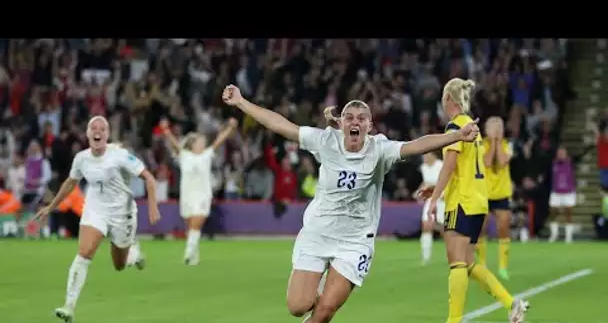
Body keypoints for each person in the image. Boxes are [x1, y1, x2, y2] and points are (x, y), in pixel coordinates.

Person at [221, 84, 480, 323]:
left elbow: (417, 145)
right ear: (341, 123)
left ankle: (330, 284)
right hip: (318, 233)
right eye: (350, 118)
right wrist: (242, 102)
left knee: (324, 312)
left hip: (355, 241)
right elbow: (280, 125)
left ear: (369, 125)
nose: (355, 122)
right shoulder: (325, 141)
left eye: (361, 118)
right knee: (298, 306)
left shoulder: (379, 149)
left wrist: (456, 136)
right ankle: (320, 282)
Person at [32, 116, 161, 323]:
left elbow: (149, 178)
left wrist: (153, 206)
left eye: (102, 128)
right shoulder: (82, 159)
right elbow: (69, 183)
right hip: (95, 210)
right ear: (88, 134)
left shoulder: (120, 156)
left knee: (118, 265)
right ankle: (69, 306)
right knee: (84, 253)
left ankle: (133, 254)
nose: (97, 131)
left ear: (107, 135)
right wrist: (50, 207)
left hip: (122, 214)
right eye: (94, 128)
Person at [421, 78, 528, 323]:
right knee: (468, 262)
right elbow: (464, 168)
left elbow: (449, 164)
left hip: (462, 202)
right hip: (478, 201)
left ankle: (453, 320)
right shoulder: (472, 127)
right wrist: (435, 188)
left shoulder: (455, 127)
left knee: (457, 263)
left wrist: (435, 197)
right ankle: (512, 304)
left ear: (448, 98)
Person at [160, 117, 238, 265]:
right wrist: (166, 130)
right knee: (191, 226)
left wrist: (230, 128)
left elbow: (218, 141)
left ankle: (188, 252)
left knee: (198, 221)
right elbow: (175, 145)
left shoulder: (206, 155)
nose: (203, 144)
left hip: (203, 194)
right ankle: (194, 256)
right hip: (187, 194)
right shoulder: (185, 156)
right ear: (193, 145)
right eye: (200, 142)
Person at [477, 117, 513, 280]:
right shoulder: (481, 145)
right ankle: (482, 264)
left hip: (501, 193)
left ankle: (503, 266)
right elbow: (488, 162)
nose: (498, 130)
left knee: (503, 228)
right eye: (494, 127)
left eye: (500, 127)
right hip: (484, 192)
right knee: (481, 229)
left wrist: (498, 142)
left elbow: (503, 161)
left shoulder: (507, 145)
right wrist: (492, 141)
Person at [416, 151, 444, 265]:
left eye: (426, 155)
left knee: (445, 229)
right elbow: (426, 182)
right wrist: (419, 192)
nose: (424, 158)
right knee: (426, 226)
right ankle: (426, 257)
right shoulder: (423, 167)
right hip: (430, 199)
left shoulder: (441, 165)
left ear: (433, 155)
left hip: (443, 199)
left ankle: (458, 252)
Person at [548, 146, 577, 243]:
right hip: (556, 192)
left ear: (566, 154)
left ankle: (568, 236)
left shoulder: (571, 163)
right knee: (553, 213)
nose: (560, 155)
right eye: (559, 153)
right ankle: (554, 234)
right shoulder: (553, 163)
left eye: (562, 153)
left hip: (568, 192)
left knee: (568, 213)